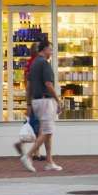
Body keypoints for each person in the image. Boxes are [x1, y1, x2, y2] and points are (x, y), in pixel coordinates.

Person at [22, 40, 62, 172]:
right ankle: (28, 156)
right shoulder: (44, 63)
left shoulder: (33, 64)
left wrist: (29, 104)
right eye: (50, 50)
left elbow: (28, 87)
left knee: (47, 131)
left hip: (36, 101)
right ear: (44, 50)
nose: (51, 53)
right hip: (45, 101)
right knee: (47, 131)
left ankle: (49, 161)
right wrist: (58, 100)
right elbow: (49, 84)